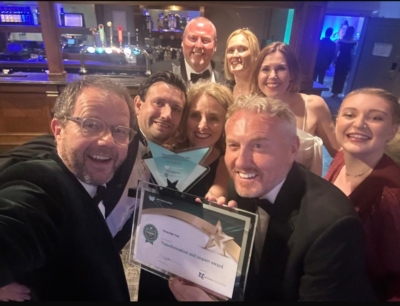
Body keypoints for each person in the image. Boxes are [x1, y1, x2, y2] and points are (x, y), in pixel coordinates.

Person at [0, 71, 188, 301]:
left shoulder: (163, 162)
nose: (106, 140)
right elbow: (20, 211)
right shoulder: (45, 182)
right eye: (91, 125)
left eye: (119, 131)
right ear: (58, 130)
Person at [168, 94, 376, 301]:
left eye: (258, 146)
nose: (241, 162)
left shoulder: (332, 227)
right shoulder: (241, 184)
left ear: (292, 148)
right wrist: (221, 245)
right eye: (234, 145)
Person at [137, 81, 234, 301]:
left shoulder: (226, 162)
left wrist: (218, 195)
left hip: (196, 271)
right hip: (156, 259)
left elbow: (218, 193)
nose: (202, 125)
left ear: (226, 123)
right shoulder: (166, 152)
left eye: (213, 118)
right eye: (195, 115)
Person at [324, 88, 400, 301]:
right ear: (337, 121)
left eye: (375, 118)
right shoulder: (340, 159)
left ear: (392, 131)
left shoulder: (392, 196)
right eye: (349, 114)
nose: (358, 124)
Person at [249, 41, 340, 176]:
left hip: (301, 192)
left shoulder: (313, 106)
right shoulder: (249, 109)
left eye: (281, 68)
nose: (273, 75)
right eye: (265, 69)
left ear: (292, 74)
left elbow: (339, 154)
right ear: (257, 75)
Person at [151, 17, 225, 87]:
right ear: (182, 41)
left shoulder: (227, 75)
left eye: (205, 40)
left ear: (215, 45)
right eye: (193, 38)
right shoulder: (160, 72)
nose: (198, 46)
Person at [224, 28, 260, 98]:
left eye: (242, 49)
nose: (235, 55)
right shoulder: (225, 91)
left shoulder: (264, 91)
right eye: (231, 50)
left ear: (255, 55)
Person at [331, 26, 357, 98]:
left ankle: (334, 92)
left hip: (340, 59)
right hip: (347, 60)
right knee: (343, 77)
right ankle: (340, 91)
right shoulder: (354, 42)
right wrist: (352, 63)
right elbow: (352, 54)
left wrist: (334, 60)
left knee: (337, 76)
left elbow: (336, 51)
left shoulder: (341, 41)